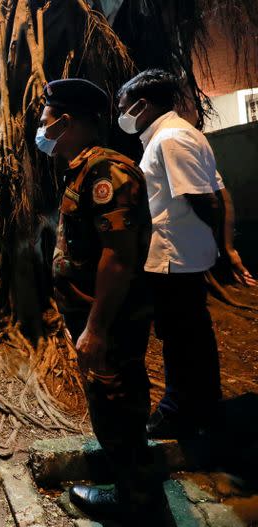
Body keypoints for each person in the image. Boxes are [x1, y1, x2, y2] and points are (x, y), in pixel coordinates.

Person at [40, 78, 170, 523]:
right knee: (110, 405)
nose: (42, 131)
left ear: (66, 122)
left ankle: (136, 502)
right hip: (99, 320)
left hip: (111, 323)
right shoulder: (81, 169)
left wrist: (95, 328)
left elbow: (117, 257)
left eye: (46, 122)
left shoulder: (107, 173)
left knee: (118, 407)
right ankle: (131, 486)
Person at [116, 69, 234, 438]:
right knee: (190, 333)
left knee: (181, 335)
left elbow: (205, 198)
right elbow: (217, 194)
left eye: (124, 108)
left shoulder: (170, 139)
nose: (121, 116)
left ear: (143, 105)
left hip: (174, 258)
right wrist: (220, 245)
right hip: (180, 255)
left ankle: (177, 411)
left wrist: (217, 242)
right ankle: (203, 407)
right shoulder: (178, 134)